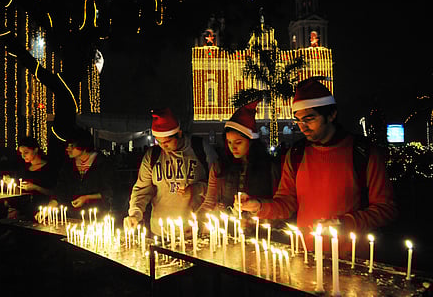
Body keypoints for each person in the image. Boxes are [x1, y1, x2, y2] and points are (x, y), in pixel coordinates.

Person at [236, 78, 398, 255]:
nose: (302, 127)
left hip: (352, 258)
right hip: (306, 255)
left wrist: (344, 223)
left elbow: (386, 208)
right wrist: (258, 206)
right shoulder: (296, 153)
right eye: (298, 120)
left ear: (331, 114)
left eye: (309, 119)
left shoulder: (363, 153)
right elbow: (287, 202)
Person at [124, 107, 218, 235]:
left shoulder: (200, 148)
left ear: (179, 133)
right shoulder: (153, 155)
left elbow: (218, 186)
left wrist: (195, 189)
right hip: (160, 232)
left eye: (167, 141)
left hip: (195, 231)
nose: (164, 146)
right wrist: (135, 214)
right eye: (159, 141)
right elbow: (142, 190)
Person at [197, 100, 281, 230]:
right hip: (227, 231)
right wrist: (197, 221)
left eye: (238, 142)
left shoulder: (269, 167)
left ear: (251, 141)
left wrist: (253, 219)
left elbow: (278, 204)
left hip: (262, 233)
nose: (233, 148)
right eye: (229, 142)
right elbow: (209, 201)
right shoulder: (220, 167)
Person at [45, 127, 118, 219]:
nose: (68, 149)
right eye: (67, 146)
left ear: (83, 146)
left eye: (72, 146)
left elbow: (109, 191)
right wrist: (49, 208)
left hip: (97, 216)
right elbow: (61, 189)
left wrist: (87, 197)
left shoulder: (102, 163)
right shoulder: (68, 165)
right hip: (72, 216)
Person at [3, 136, 58, 219]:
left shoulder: (49, 169)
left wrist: (35, 187)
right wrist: (11, 183)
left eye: (26, 152)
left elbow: (55, 193)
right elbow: (18, 193)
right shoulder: (24, 169)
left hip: (43, 211)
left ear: (35, 150)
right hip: (24, 210)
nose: (23, 156)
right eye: (21, 153)